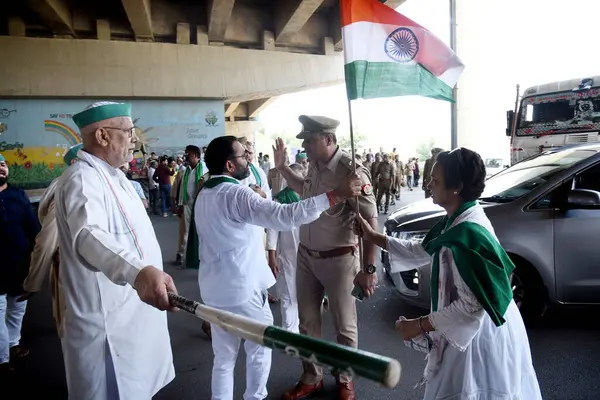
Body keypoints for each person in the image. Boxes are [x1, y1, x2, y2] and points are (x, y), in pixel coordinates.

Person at [353, 147, 542, 400]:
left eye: (435, 180)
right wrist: (373, 236)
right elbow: (422, 250)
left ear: (457, 187)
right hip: (477, 326)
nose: (428, 184)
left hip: (478, 335)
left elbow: (471, 305)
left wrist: (417, 325)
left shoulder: (467, 233)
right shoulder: (458, 219)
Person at [193, 135, 362, 400]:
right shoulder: (236, 193)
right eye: (242, 155)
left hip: (215, 290)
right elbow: (283, 216)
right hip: (243, 290)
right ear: (228, 165)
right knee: (259, 350)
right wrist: (335, 195)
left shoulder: (205, 192)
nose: (248, 159)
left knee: (223, 359)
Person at [54, 101, 178, 399]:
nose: (134, 139)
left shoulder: (116, 177)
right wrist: (139, 272)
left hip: (134, 314)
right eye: (128, 131)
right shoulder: (82, 179)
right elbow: (89, 236)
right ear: (102, 136)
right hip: (109, 325)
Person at [275, 115, 378, 400]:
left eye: (309, 140)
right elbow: (303, 191)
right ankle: (312, 377)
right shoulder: (314, 167)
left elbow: (371, 221)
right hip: (306, 257)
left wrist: (369, 268)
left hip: (340, 259)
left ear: (328, 140)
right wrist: (283, 168)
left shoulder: (352, 172)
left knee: (344, 326)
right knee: (307, 323)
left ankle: (345, 378)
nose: (304, 146)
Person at [18, 144, 83, 340]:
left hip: (80, 267)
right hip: (73, 269)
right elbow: (46, 240)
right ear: (74, 162)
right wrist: (33, 282)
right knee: (75, 331)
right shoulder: (70, 187)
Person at [0, 154, 40, 377]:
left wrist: (36, 261)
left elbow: (33, 229)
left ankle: (13, 345)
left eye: (3, 164)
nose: (1, 168)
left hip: (18, 265)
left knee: (16, 310)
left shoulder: (18, 195)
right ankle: (2, 360)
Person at [265, 163, 306, 333]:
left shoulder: (308, 197)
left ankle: (300, 330)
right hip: (288, 255)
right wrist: (272, 257)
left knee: (304, 294)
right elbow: (272, 230)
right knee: (288, 296)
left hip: (307, 254)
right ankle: (290, 332)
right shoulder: (280, 199)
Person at [175, 145, 207, 267]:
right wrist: (180, 205)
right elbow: (180, 188)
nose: (185, 156)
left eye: (187, 154)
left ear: (194, 155)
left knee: (201, 231)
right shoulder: (185, 171)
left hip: (200, 204)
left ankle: (200, 257)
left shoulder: (205, 169)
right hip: (187, 203)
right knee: (184, 231)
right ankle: (180, 254)